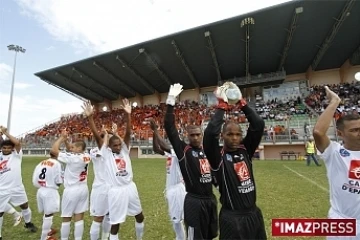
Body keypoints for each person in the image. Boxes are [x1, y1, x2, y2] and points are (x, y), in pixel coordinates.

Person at [203, 82, 267, 239]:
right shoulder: (218, 156)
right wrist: (222, 107)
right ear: (222, 136)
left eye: (238, 134)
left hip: (253, 214)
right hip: (232, 218)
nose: (234, 138)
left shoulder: (245, 149)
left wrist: (242, 104)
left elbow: (258, 124)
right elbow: (210, 133)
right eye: (230, 134)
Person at [164, 83, 218, 240]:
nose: (195, 137)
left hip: (210, 200)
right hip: (194, 202)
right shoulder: (184, 151)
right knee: (194, 237)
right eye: (192, 135)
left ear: (201, 135)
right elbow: (169, 126)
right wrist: (171, 100)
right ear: (187, 136)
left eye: (198, 134)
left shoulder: (207, 151)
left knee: (210, 235)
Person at [90, 99, 144, 240]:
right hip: (116, 191)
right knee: (116, 223)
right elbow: (97, 137)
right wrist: (90, 117)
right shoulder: (106, 154)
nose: (118, 147)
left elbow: (128, 132)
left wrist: (128, 115)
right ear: (109, 146)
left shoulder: (124, 151)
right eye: (115, 145)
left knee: (140, 216)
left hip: (130, 187)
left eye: (119, 144)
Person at [313, 86, 360, 240]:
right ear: (340, 134)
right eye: (354, 130)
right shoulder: (334, 152)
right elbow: (318, 132)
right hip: (342, 223)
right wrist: (335, 102)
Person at [51, 129, 91, 240]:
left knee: (66, 217)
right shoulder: (86, 155)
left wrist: (61, 139)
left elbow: (54, 151)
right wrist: (67, 142)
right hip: (83, 188)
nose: (71, 149)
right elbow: (70, 149)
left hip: (71, 190)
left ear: (79, 149)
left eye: (74, 147)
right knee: (79, 217)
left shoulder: (72, 158)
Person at [150, 119, 186, 240]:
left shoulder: (179, 152)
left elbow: (164, 146)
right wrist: (154, 133)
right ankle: (181, 237)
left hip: (177, 190)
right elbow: (156, 149)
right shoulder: (171, 154)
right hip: (171, 189)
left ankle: (181, 238)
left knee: (177, 220)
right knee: (177, 220)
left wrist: (155, 130)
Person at [0, 126, 38, 240]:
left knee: (24, 205)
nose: (6, 149)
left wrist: (6, 133)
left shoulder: (16, 155)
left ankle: (28, 223)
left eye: (8, 148)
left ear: (12, 149)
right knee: (0, 213)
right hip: (2, 189)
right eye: (4, 148)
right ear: (1, 148)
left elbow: (17, 143)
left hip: (17, 187)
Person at [82, 101, 111, 240]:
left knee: (109, 216)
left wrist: (112, 134)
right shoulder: (97, 150)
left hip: (112, 189)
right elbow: (101, 144)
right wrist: (90, 118)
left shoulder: (112, 150)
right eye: (106, 136)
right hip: (100, 189)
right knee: (98, 218)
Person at [32, 153, 63, 240]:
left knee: (46, 213)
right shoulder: (57, 164)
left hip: (40, 190)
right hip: (50, 191)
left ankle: (48, 230)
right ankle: (44, 237)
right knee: (49, 215)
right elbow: (58, 180)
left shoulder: (41, 162)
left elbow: (34, 178)